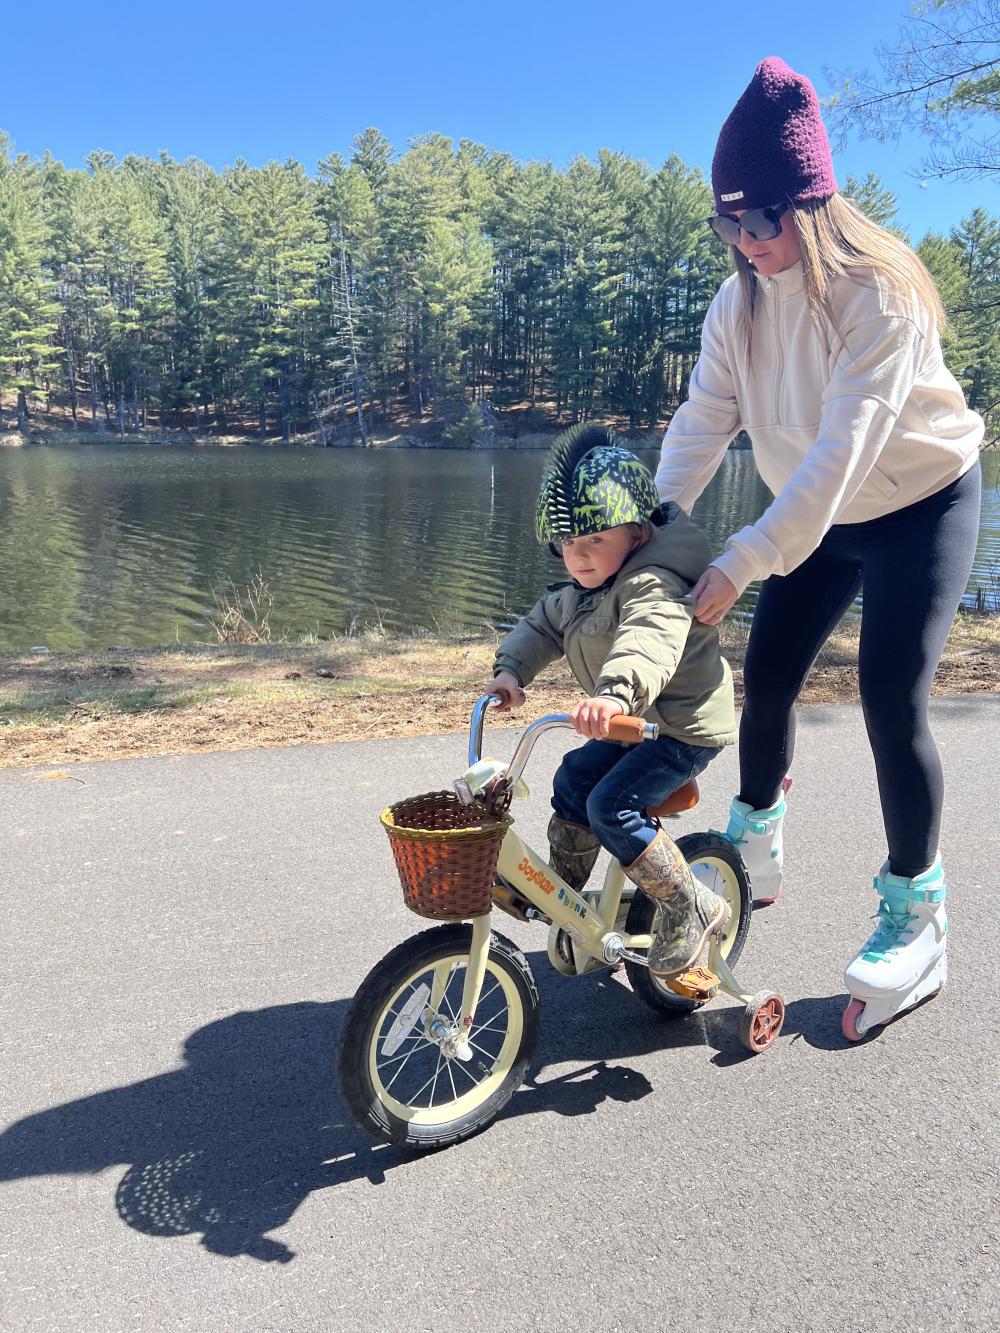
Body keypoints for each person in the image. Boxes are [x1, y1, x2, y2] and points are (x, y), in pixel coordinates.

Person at [655, 57, 984, 1035]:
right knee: (768, 673)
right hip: (819, 512)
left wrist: (742, 555)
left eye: (763, 220)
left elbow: (843, 453)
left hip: (919, 500)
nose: (746, 243)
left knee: (889, 692)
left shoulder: (878, 296)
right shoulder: (736, 307)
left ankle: (915, 915)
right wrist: (646, 534)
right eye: (728, 223)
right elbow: (701, 426)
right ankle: (754, 844)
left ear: (812, 204)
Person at [488, 423, 738, 978]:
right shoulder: (586, 585)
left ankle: (692, 904)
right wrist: (510, 671)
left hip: (680, 726)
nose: (578, 557)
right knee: (573, 781)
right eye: (567, 545)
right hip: (635, 723)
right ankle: (563, 895)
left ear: (639, 532)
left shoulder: (656, 583)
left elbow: (648, 639)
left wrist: (614, 694)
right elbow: (542, 624)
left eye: (594, 541)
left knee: (611, 806)